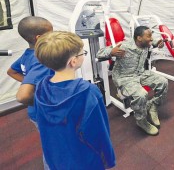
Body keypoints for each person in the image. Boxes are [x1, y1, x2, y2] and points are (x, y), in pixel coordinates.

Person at [34, 31, 115, 169]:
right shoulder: (88, 92)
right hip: (85, 161)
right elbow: (99, 132)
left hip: (56, 158)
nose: (83, 55)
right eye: (82, 53)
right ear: (73, 61)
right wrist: (109, 159)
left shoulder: (41, 87)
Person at [97, 25, 168, 136]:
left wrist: (158, 43)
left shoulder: (145, 44)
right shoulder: (124, 45)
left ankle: (152, 106)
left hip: (140, 73)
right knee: (141, 95)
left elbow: (153, 43)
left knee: (163, 82)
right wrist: (111, 52)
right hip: (124, 77)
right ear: (139, 38)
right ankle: (141, 121)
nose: (151, 38)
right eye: (149, 36)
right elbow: (99, 54)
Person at [6, 16, 53, 169]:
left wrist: (30, 83)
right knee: (52, 145)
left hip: (35, 113)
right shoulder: (41, 59)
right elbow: (23, 95)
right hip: (44, 111)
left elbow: (11, 71)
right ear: (39, 38)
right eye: (51, 33)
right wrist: (35, 94)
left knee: (48, 140)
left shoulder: (26, 55)